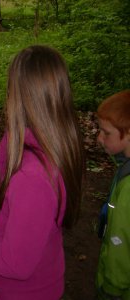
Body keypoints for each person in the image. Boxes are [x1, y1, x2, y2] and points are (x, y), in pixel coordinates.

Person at [0, 45, 86, 300]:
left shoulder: (32, 179)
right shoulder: (56, 147)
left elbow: (15, 263)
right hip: (43, 277)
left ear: (17, 97)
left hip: (22, 293)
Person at [95, 90, 130, 300]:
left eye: (106, 133)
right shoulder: (124, 167)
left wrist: (111, 289)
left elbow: (122, 243)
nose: (99, 138)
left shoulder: (128, 189)